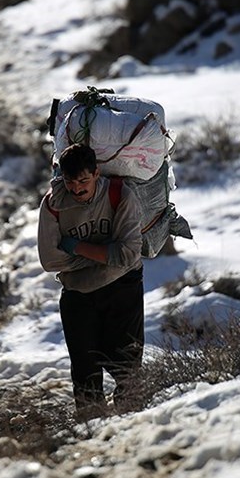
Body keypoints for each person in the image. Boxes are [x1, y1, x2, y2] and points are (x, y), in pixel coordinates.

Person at [37, 143, 145, 420]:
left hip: (122, 287)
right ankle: (92, 428)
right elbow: (50, 261)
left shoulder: (120, 195)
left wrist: (76, 247)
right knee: (84, 370)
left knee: (128, 364)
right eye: (71, 182)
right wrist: (104, 254)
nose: (77, 188)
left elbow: (129, 253)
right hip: (78, 294)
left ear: (97, 173)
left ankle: (133, 422)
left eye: (84, 180)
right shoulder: (53, 205)